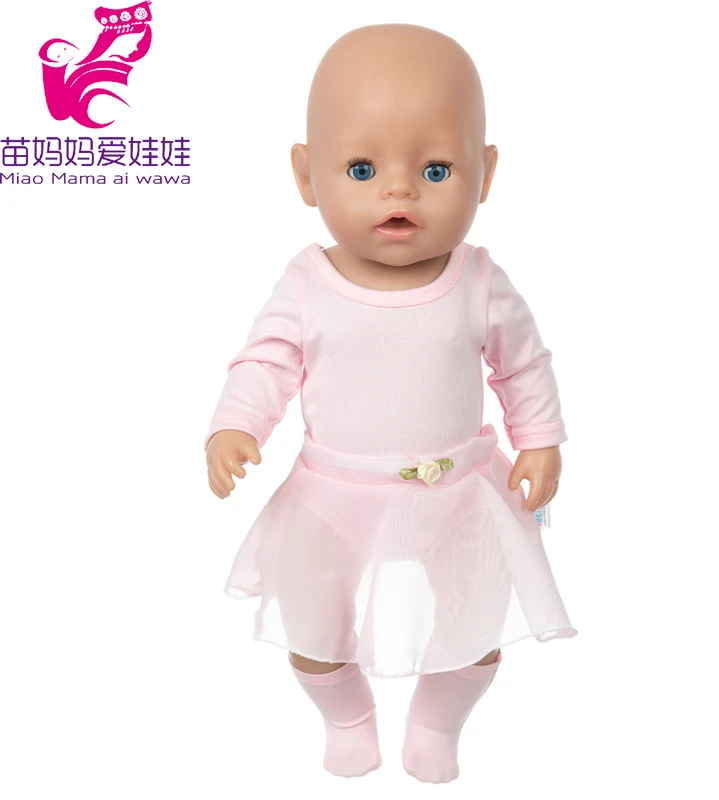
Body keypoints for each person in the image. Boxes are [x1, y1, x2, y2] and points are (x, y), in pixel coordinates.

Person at [205, 23, 577, 784]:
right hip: (331, 494)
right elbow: (267, 361)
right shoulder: (307, 284)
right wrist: (237, 425)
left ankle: (438, 724)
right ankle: (345, 716)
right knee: (311, 627)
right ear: (307, 176)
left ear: (485, 173)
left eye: (437, 168)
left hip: (460, 493)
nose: (399, 190)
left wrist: (539, 438)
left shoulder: (478, 280)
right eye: (362, 167)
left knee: (476, 627)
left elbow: (522, 364)